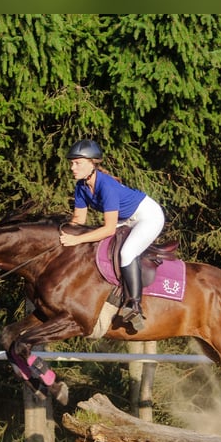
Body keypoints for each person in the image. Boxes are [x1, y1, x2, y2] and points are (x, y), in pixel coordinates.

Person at [59, 139, 165, 328]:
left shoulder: (105, 186)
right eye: (72, 163)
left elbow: (108, 229)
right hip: (126, 219)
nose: (72, 168)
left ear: (92, 164)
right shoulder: (81, 187)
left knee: (127, 252)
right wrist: (61, 234)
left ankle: (134, 305)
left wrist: (76, 239)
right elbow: (78, 221)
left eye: (77, 163)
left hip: (148, 216)